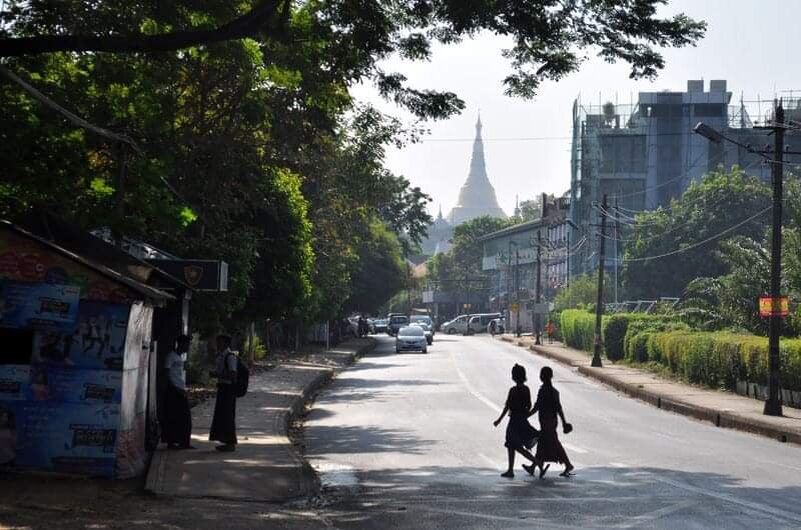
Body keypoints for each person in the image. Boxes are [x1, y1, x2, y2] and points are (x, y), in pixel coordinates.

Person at [492, 364, 543, 478]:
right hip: (522, 420)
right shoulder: (526, 389)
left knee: (514, 446)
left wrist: (499, 420)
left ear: (514, 376)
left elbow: (507, 407)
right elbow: (529, 405)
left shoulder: (513, 390)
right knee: (513, 445)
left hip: (514, 422)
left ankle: (535, 462)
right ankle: (512, 469)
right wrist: (525, 414)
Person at [529, 366, 574, 478]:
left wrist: (526, 415)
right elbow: (559, 408)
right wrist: (564, 422)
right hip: (553, 421)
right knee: (543, 443)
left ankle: (568, 464)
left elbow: (536, 407)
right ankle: (534, 466)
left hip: (545, 421)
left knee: (554, 443)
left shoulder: (543, 391)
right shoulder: (555, 392)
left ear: (542, 377)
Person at [164, 335, 193, 449]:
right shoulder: (171, 356)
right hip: (174, 391)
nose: (188, 347)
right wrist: (174, 388)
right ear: (181, 344)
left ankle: (183, 442)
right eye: (187, 344)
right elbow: (166, 374)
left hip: (180, 390)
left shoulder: (180, 357)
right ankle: (172, 442)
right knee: (174, 416)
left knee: (183, 418)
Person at [209, 334, 238, 452]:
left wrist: (217, 375)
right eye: (217, 342)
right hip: (222, 388)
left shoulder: (230, 357)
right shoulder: (221, 356)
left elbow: (233, 375)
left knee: (228, 416)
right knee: (222, 416)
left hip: (228, 389)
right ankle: (225, 442)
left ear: (226, 343)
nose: (217, 345)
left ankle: (230, 443)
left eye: (220, 342)